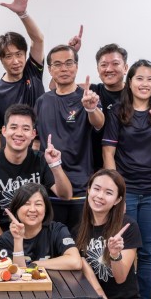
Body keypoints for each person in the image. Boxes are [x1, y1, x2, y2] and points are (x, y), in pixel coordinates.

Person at [102, 60, 151, 299]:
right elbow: (108, 152)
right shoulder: (117, 111)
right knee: (122, 246)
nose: (145, 84)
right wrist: (117, 191)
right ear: (129, 82)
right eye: (139, 78)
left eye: (150, 79)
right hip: (127, 191)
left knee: (147, 250)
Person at [73, 169, 143, 299]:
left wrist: (114, 254)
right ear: (88, 190)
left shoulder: (127, 226)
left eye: (109, 192)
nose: (100, 196)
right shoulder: (78, 229)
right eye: (96, 189)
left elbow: (120, 278)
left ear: (117, 199)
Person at [0, 104, 71, 236]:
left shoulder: (41, 160)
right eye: (13, 127)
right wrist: (4, 242)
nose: (19, 133)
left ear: (33, 134)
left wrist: (55, 166)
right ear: (4, 131)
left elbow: (66, 195)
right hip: (4, 233)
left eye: (25, 128)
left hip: (38, 233)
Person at [34, 45, 104, 230]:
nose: (64, 69)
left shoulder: (87, 98)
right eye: (57, 64)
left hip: (81, 188)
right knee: (51, 244)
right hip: (49, 189)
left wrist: (91, 108)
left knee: (80, 244)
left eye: (69, 63)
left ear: (76, 66)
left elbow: (99, 123)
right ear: (50, 70)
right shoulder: (42, 101)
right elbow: (36, 142)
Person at [0, 0, 46, 122]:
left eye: (19, 54)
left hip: (41, 136)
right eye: (9, 56)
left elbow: (38, 39)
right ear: (1, 59)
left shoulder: (32, 71)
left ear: (25, 54)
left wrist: (22, 14)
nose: (16, 61)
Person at [0, 183, 82, 271]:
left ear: (46, 208)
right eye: (26, 204)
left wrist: (35, 264)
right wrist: (18, 239)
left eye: (38, 204)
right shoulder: (5, 239)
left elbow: (75, 262)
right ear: (16, 208)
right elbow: (17, 272)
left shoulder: (57, 230)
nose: (32, 209)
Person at [90, 43, 128, 172]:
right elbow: (56, 86)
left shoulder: (136, 94)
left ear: (125, 68)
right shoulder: (92, 92)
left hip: (128, 168)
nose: (109, 69)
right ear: (98, 69)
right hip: (94, 167)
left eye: (115, 64)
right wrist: (72, 52)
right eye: (104, 65)